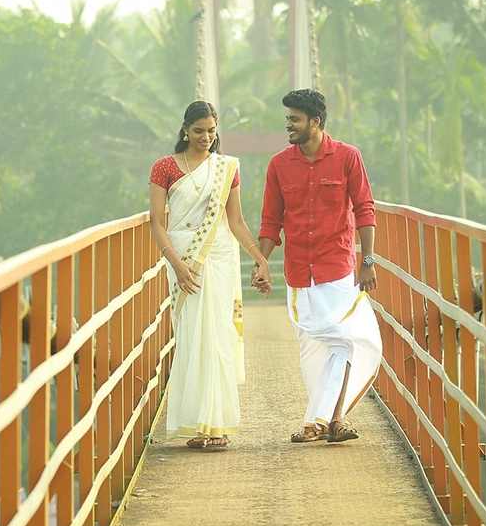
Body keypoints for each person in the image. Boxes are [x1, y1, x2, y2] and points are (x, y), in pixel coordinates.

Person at [251, 89, 382, 444]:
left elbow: (365, 209)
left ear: (315, 121)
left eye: (294, 119)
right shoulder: (279, 164)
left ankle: (327, 420)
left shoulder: (347, 157)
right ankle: (329, 420)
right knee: (312, 351)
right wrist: (261, 263)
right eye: (287, 119)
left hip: (337, 268)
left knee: (342, 340)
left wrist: (367, 261)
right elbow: (271, 221)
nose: (288, 125)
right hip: (299, 272)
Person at [150, 100, 271, 450]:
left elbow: (236, 221)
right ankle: (194, 423)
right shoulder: (164, 167)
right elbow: (156, 222)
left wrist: (259, 259)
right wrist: (176, 262)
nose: (206, 137)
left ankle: (215, 425)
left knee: (217, 335)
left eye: (212, 130)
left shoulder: (226, 168)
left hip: (217, 257)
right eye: (199, 130)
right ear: (185, 130)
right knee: (190, 336)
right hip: (182, 258)